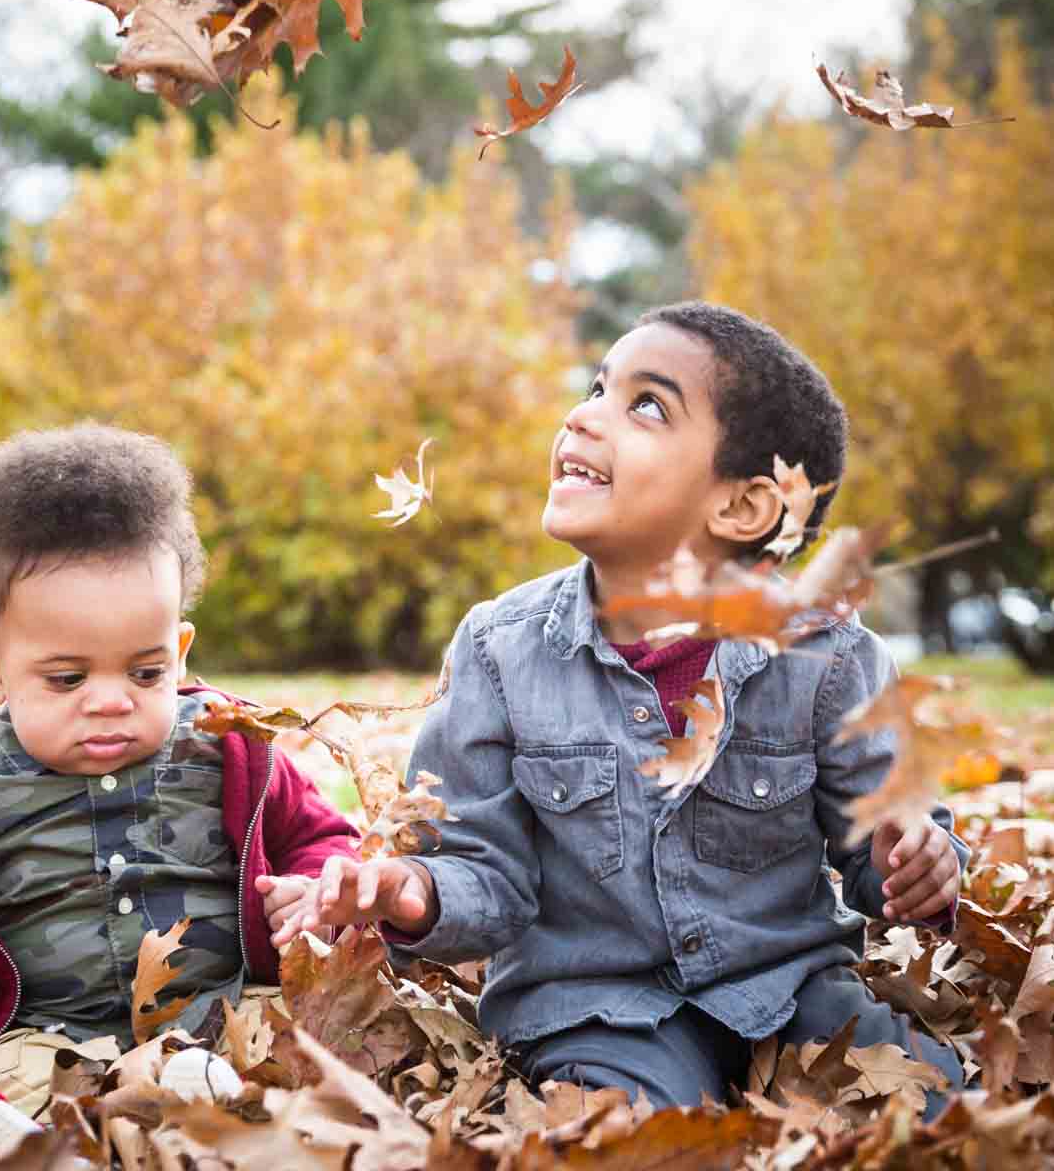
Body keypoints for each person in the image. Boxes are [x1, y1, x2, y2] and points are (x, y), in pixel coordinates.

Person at [277, 303, 968, 1116]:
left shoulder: (832, 657)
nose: (582, 415)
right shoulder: (499, 651)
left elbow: (887, 845)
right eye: (597, 387)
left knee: (935, 1104)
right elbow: (481, 870)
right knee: (630, 1129)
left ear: (741, 509)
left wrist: (918, 866)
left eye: (645, 405)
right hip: (594, 1008)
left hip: (789, 990)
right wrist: (411, 890)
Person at [0, 422, 357, 1118]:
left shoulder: (230, 748)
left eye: (146, 671)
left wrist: (315, 885)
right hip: (43, 1039)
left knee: (302, 1055)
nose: (110, 701)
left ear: (181, 650)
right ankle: (19, 1141)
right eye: (68, 678)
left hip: (221, 1017)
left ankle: (220, 1116)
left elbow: (323, 839)